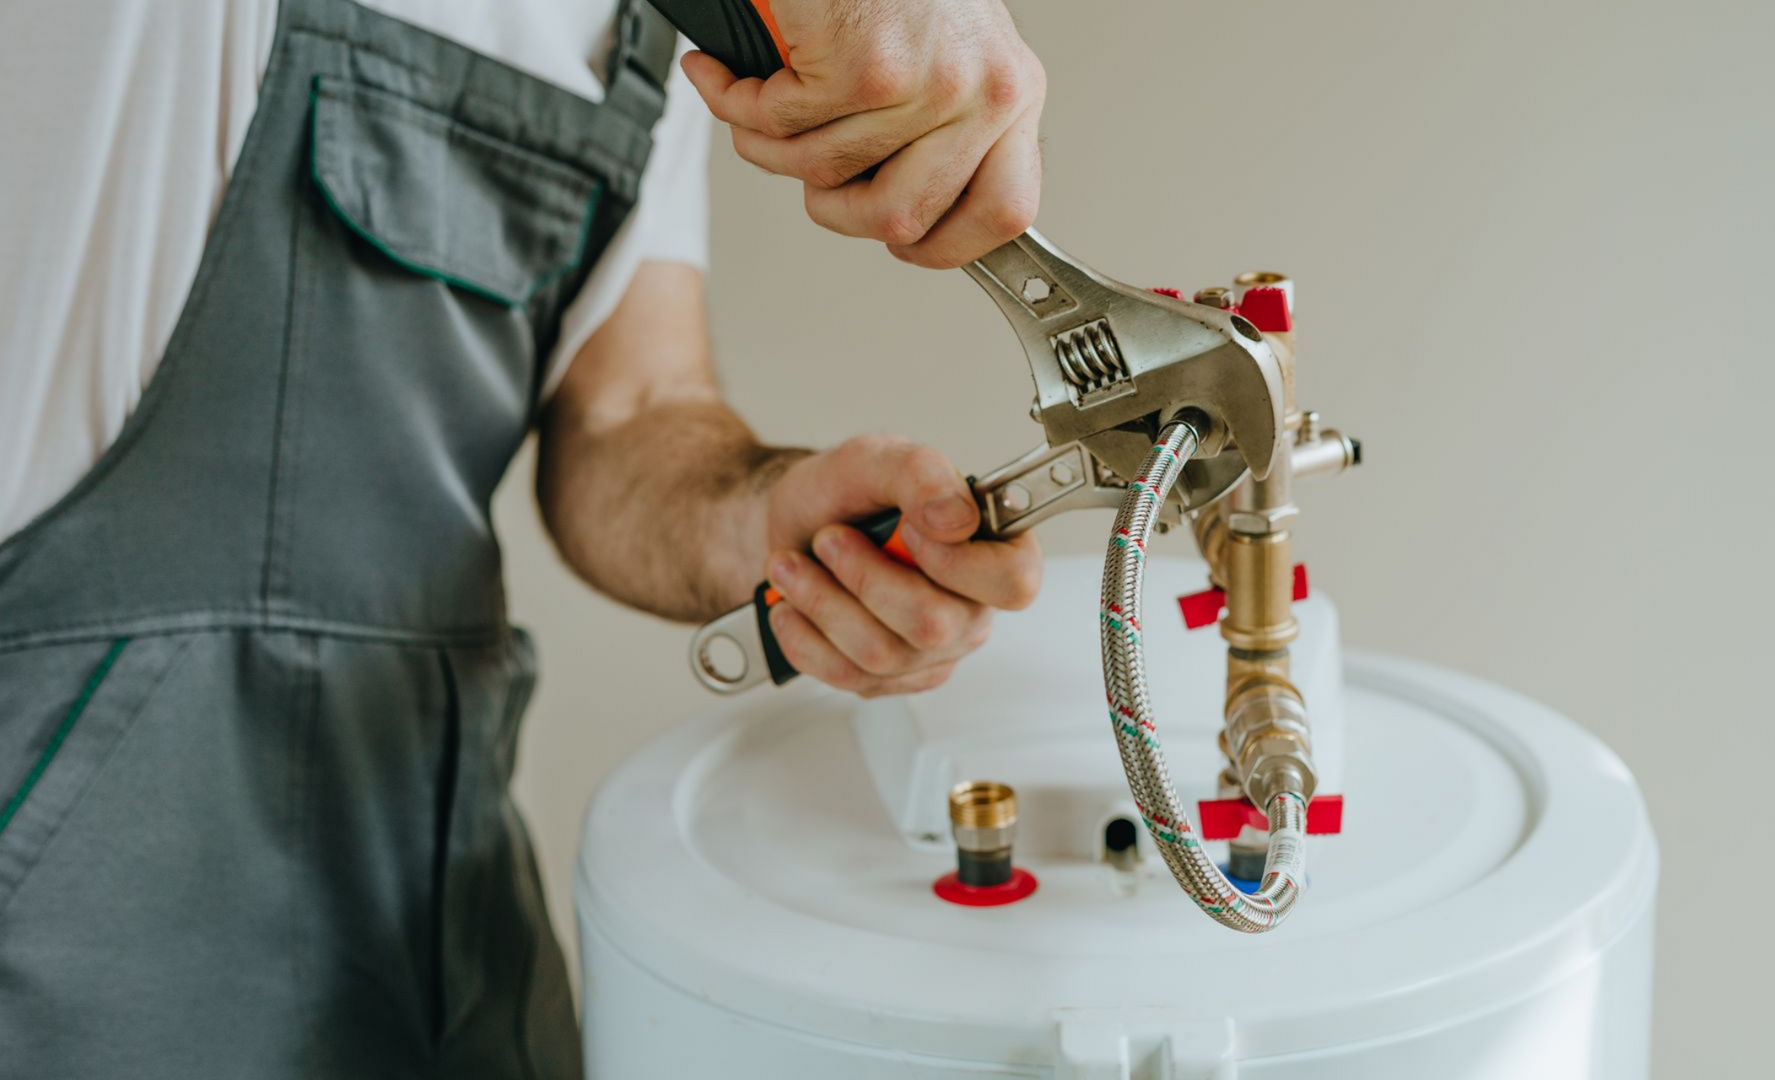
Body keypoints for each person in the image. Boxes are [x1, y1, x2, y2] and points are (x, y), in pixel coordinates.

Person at [0, 0, 1046, 1075]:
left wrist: (767, 523)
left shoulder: (656, 29)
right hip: (60, 903)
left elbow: (628, 407)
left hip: (433, 922)